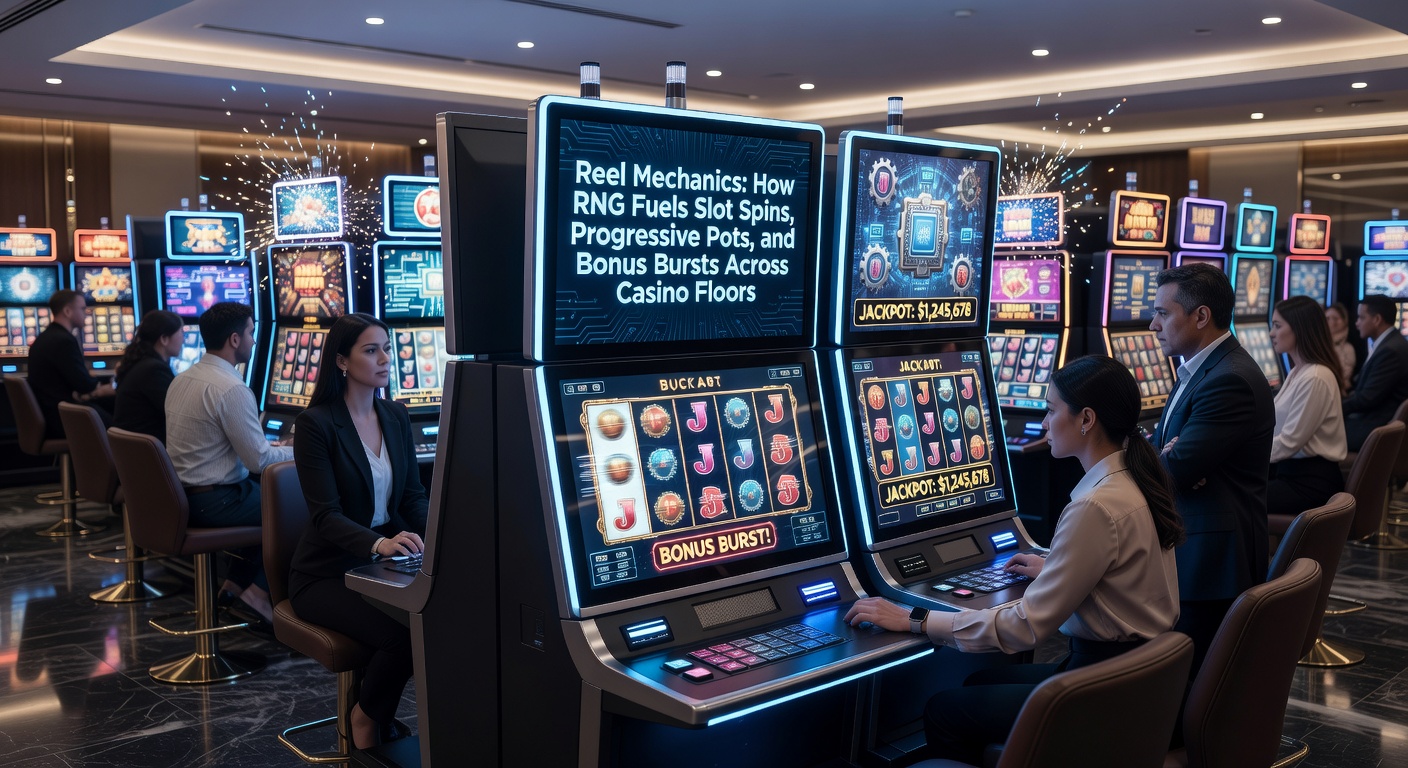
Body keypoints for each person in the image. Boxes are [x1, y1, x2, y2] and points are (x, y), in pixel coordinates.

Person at [844, 355, 1183, 765]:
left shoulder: (1096, 506)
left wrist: (914, 619)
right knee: (981, 681)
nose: (1042, 423)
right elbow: (1120, 571)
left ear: (1087, 419)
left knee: (945, 711)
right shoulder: (1133, 477)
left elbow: (1025, 627)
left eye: (1051, 410)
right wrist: (1060, 569)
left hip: (1102, 685)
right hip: (1138, 678)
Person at [290, 313, 427, 750]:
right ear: (343, 361)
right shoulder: (317, 423)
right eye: (371, 350)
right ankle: (366, 717)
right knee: (403, 635)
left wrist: (446, 532)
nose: (385, 358)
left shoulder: (395, 414)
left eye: (386, 348)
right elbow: (325, 516)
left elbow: (411, 498)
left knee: (438, 617)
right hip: (326, 571)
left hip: (383, 564)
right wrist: (379, 542)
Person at [1149, 263, 1274, 675]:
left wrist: (1173, 460)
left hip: (1210, 563)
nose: (1153, 325)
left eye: (1163, 313)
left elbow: (1172, 471)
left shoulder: (1228, 379)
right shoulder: (1202, 368)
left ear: (1201, 316)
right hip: (1192, 543)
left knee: (1187, 684)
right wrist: (1167, 456)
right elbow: (1164, 458)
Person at [165, 302, 291, 622]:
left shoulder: (184, 378)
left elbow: (220, 444)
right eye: (251, 332)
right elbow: (259, 461)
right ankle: (258, 595)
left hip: (181, 497)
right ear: (234, 339)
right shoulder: (231, 387)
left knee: (264, 497)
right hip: (216, 501)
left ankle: (234, 587)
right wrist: (300, 451)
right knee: (298, 508)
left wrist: (274, 445)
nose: (253, 339)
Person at [1267, 296, 1347, 517]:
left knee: (1230, 497)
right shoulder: (1299, 371)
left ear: (1300, 328)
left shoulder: (1315, 377)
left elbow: (1290, 442)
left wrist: (1241, 454)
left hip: (1309, 484)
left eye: (1277, 326)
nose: (1272, 333)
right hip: (1290, 473)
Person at [26, 289, 114, 438]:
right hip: (62, 418)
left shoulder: (47, 336)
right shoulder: (63, 341)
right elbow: (84, 385)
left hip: (51, 413)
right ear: (67, 311)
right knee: (120, 425)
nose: (86, 313)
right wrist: (114, 387)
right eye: (82, 309)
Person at [1341, 294, 1408, 452]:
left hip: (1375, 428)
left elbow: (1366, 399)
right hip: (1375, 422)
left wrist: (1333, 407)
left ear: (1377, 319)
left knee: (1313, 434)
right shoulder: (1391, 343)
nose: (1357, 324)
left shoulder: (1391, 350)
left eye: (1361, 318)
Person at [112, 310, 184, 442]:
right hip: (146, 452)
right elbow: (177, 414)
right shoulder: (154, 370)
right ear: (164, 339)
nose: (183, 339)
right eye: (181, 333)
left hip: (135, 448)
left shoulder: (142, 363)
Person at [1325, 302, 1357, 390]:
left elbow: (1342, 377)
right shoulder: (1319, 345)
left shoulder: (1348, 349)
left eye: (1335, 318)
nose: (1331, 322)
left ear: (1344, 321)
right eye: (1327, 318)